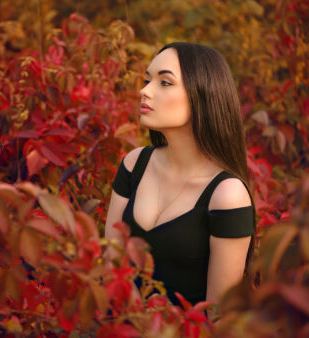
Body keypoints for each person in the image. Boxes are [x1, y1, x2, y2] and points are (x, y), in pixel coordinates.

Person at [104, 42, 256, 318]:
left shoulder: (226, 195)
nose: (144, 91)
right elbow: (110, 264)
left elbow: (218, 316)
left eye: (164, 82)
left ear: (203, 95)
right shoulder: (134, 163)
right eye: (147, 80)